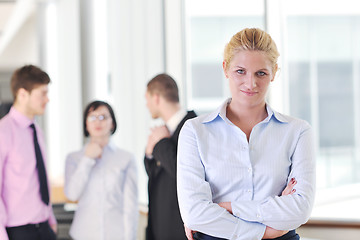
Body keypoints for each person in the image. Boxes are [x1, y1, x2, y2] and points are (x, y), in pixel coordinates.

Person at [177, 28, 316, 240]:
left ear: (274, 73)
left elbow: (300, 208)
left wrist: (228, 207)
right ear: (225, 68)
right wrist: (264, 232)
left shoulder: (297, 132)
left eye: (261, 73)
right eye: (240, 71)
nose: (250, 83)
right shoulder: (195, 131)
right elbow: (194, 213)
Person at [64, 100, 138, 240]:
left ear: (112, 123)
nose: (98, 122)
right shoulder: (74, 158)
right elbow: (72, 194)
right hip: (83, 234)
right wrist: (87, 159)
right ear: (86, 124)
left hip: (116, 234)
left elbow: (130, 207)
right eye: (92, 117)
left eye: (103, 117)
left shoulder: (126, 158)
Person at [0, 65, 57, 240]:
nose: (47, 99)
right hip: (18, 230)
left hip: (44, 226)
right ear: (23, 94)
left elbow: (39, 177)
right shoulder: (3, 131)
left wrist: (50, 218)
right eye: (42, 94)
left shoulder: (36, 131)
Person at [144, 73, 197, 240]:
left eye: (147, 98)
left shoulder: (194, 127)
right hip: (160, 228)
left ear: (157, 98)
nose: (146, 104)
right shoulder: (163, 131)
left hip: (180, 231)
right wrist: (149, 154)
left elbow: (184, 175)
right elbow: (156, 176)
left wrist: (162, 144)